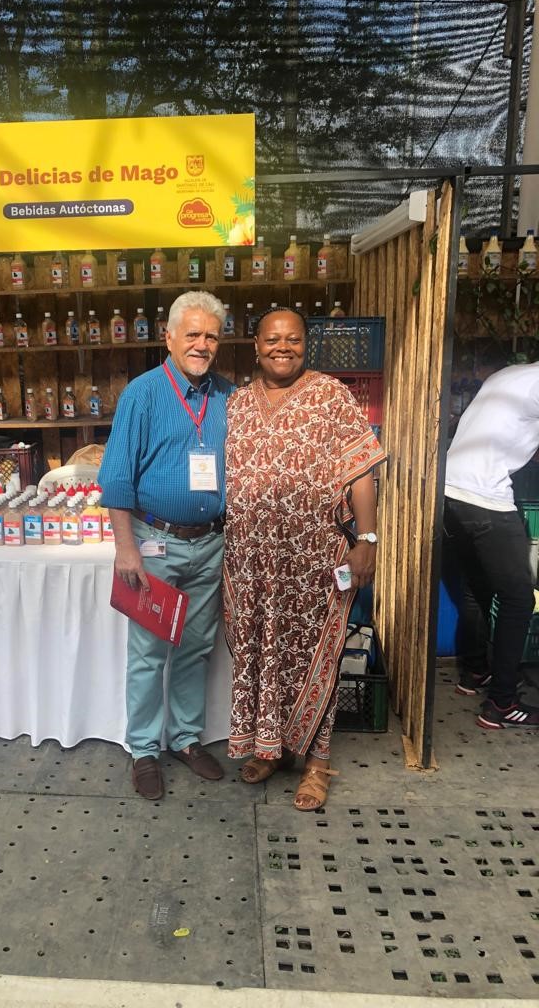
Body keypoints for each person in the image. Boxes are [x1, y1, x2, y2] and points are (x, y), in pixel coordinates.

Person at [223, 307, 385, 810]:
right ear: (256, 346)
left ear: (305, 344)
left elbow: (361, 471)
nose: (283, 347)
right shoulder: (237, 403)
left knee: (316, 657)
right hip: (252, 560)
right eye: (273, 339)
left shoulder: (331, 395)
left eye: (293, 339)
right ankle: (271, 749)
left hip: (313, 559)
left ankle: (316, 762)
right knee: (262, 653)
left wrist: (367, 539)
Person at [98, 291, 234, 800]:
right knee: (149, 652)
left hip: (212, 543)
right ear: (170, 337)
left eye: (211, 336)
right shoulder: (143, 394)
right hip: (155, 543)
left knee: (196, 649)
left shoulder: (228, 396)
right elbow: (116, 477)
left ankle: (185, 738)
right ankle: (143, 749)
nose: (202, 344)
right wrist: (126, 548)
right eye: (193, 334)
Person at [444, 361, 539, 729]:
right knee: (519, 598)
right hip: (484, 496)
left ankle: (475, 672)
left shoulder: (510, 373)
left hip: (451, 490)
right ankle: (502, 703)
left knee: (477, 588)